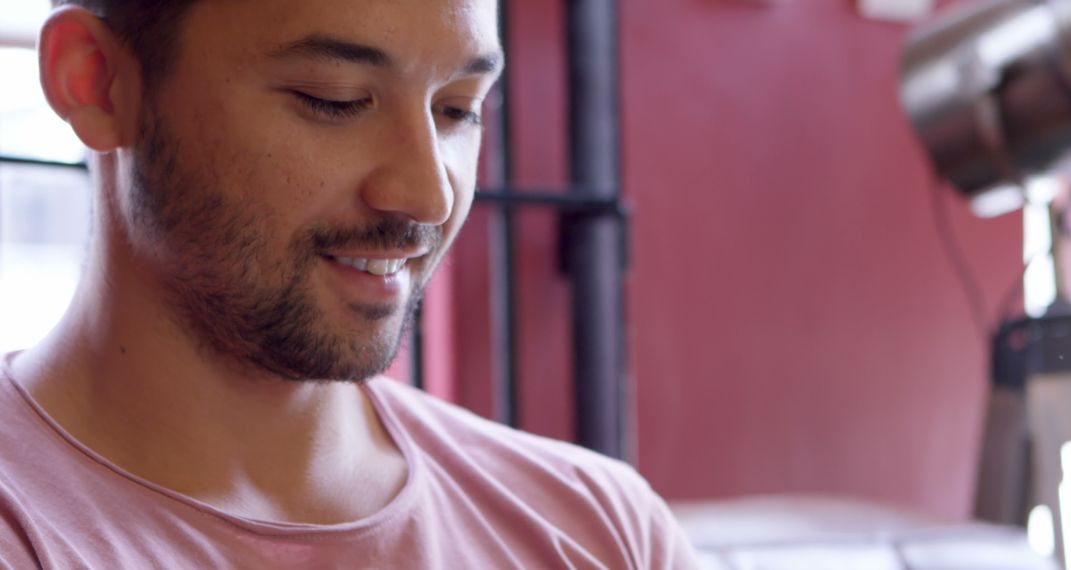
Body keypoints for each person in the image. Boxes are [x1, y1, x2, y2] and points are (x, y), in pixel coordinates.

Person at [0, 0, 699, 567]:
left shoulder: (600, 530)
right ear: (94, 80)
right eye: (334, 100)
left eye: (457, 109)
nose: (429, 196)